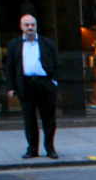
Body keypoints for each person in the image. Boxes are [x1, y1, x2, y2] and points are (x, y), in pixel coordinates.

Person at [6, 14, 61, 159]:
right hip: (26, 84)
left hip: (45, 84)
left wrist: (54, 81)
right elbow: (10, 67)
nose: (30, 28)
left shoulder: (47, 43)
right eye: (27, 25)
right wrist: (11, 87)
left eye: (32, 25)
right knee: (29, 119)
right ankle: (32, 149)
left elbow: (57, 63)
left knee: (48, 118)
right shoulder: (14, 45)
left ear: (36, 26)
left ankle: (50, 148)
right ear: (21, 27)